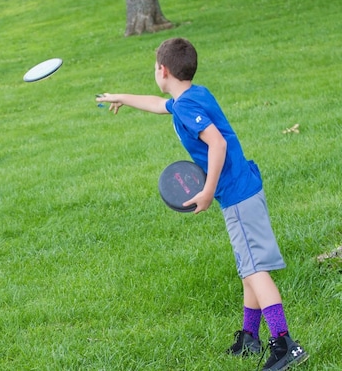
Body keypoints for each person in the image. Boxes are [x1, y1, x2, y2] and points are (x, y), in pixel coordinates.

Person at [96, 38, 308, 371]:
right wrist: (120, 97)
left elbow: (217, 143)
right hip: (241, 190)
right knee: (247, 268)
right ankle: (249, 339)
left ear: (162, 70)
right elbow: (157, 103)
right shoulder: (192, 95)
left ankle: (285, 344)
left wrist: (207, 191)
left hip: (236, 193)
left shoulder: (186, 106)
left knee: (255, 269)